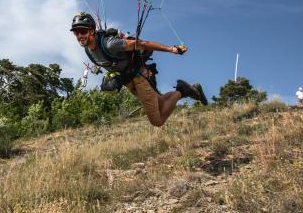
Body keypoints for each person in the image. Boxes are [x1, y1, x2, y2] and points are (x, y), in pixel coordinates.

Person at [70, 12, 207, 127]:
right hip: (129, 82)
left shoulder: (110, 44)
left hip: (140, 77)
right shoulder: (88, 51)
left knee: (157, 121)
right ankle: (191, 90)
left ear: (92, 30)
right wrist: (112, 78)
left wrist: (170, 49)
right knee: (160, 102)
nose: (80, 36)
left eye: (83, 31)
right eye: (76, 32)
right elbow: (110, 64)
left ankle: (182, 90)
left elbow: (141, 44)